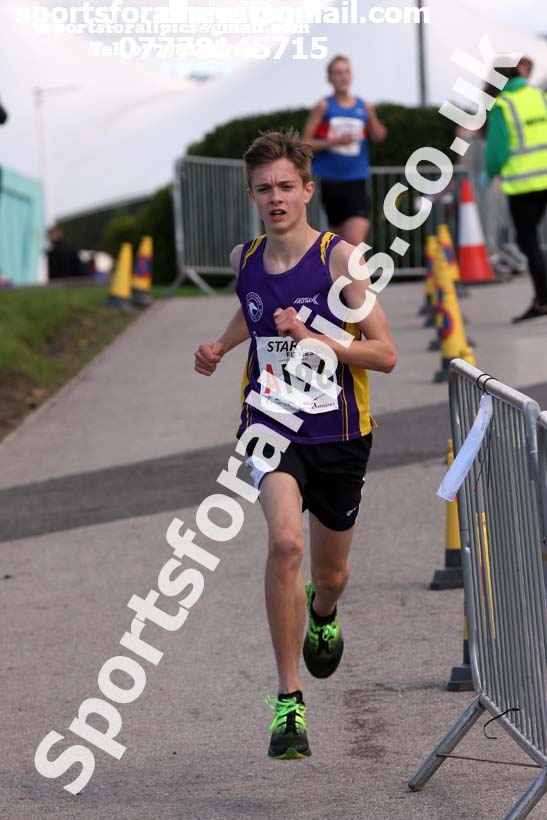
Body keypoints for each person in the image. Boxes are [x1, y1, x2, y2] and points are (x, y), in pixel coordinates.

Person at [194, 130, 396, 759]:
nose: (276, 198)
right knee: (284, 542)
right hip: (271, 429)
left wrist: (318, 340)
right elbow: (252, 309)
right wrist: (221, 346)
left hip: (339, 433)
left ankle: (324, 613)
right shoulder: (245, 258)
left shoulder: (342, 261)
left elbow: (385, 353)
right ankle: (289, 702)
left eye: (286, 186)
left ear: (308, 191)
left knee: (330, 575)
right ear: (251, 196)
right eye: (264, 189)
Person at [302, 54, 387, 245]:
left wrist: (378, 127)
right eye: (337, 73)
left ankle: (359, 267)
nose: (342, 77)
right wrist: (334, 142)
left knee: (355, 239)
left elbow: (377, 135)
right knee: (340, 242)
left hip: (356, 179)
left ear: (351, 75)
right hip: (330, 180)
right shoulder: (323, 106)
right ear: (330, 78)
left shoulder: (364, 106)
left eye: (346, 72)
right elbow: (305, 143)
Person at [485, 65, 547, 322]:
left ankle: (543, 300)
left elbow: (497, 150)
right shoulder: (539, 96)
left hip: (522, 185)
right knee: (532, 240)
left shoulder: (503, 104)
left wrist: (490, 172)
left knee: (527, 240)